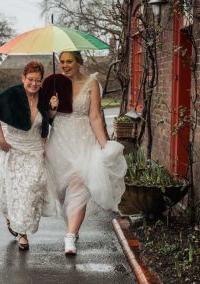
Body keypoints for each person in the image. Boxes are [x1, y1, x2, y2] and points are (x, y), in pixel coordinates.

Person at [45, 51, 127, 255]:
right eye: (61, 62)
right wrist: (52, 109)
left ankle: (70, 237)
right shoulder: (54, 83)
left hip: (83, 141)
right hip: (59, 141)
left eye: (69, 61)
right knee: (62, 191)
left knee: (79, 186)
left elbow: (95, 117)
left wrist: (104, 145)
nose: (64, 65)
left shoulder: (91, 84)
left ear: (79, 62)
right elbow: (47, 117)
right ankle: (71, 223)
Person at [0, 61, 54, 251]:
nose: (33, 83)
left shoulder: (45, 96)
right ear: (23, 78)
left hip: (35, 149)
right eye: (30, 79)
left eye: (38, 80)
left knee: (32, 189)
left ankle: (21, 226)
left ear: (41, 81)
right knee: (15, 191)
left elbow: (48, 121)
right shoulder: (12, 94)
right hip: (14, 148)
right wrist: (0, 140)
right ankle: (21, 233)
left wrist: (53, 109)